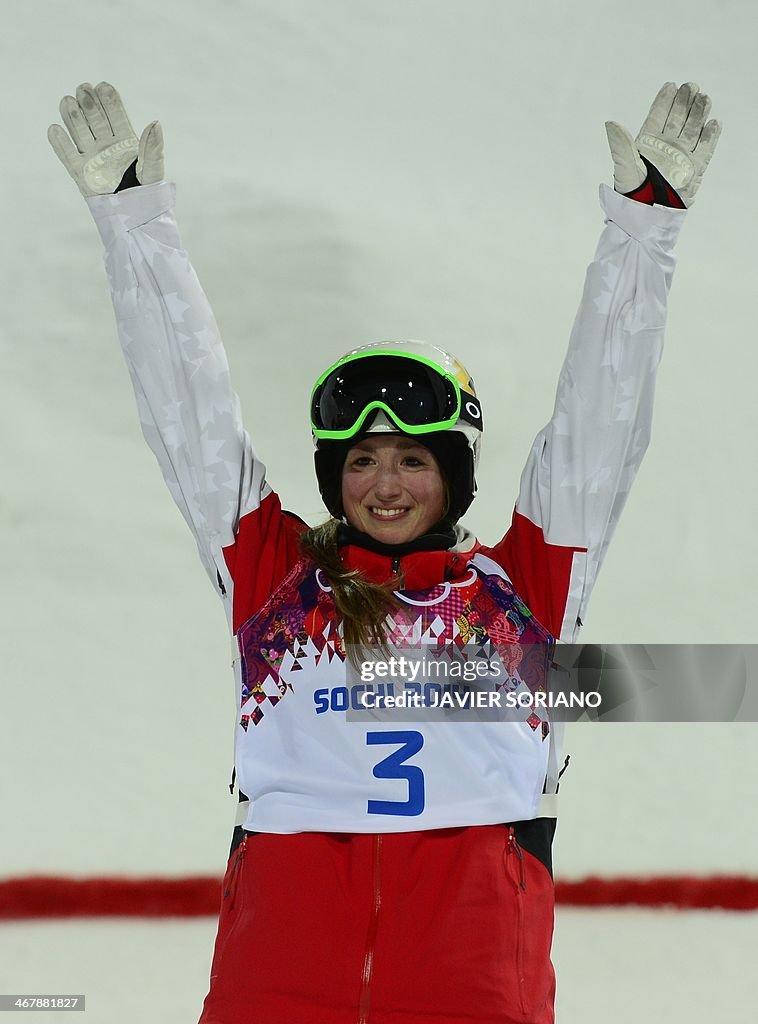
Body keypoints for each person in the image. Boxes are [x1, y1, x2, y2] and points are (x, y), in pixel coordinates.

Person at [49, 81, 720, 1024]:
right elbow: (190, 419)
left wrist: (643, 233)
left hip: (474, 977)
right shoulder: (278, 582)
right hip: (280, 980)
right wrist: (132, 223)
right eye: (361, 460)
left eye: (413, 459)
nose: (386, 483)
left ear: (455, 475)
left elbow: (598, 429)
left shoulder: (521, 589)